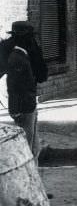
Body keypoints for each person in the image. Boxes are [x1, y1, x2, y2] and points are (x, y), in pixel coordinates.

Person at [3, 21, 47, 160]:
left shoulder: (21, 53)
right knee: (27, 147)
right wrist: (16, 109)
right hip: (24, 106)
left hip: (27, 104)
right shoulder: (18, 57)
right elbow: (16, 86)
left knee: (34, 147)